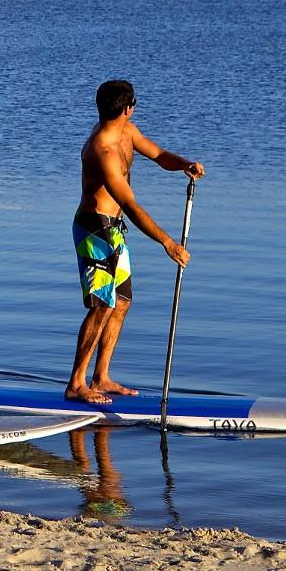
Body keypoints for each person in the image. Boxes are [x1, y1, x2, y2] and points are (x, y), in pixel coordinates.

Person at [68, 79, 204, 405]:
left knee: (122, 301)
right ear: (128, 107)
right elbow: (130, 204)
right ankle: (76, 384)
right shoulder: (102, 150)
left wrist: (184, 163)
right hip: (94, 230)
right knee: (101, 305)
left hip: (115, 229)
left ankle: (101, 377)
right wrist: (167, 243)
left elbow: (158, 155)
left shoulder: (127, 132)